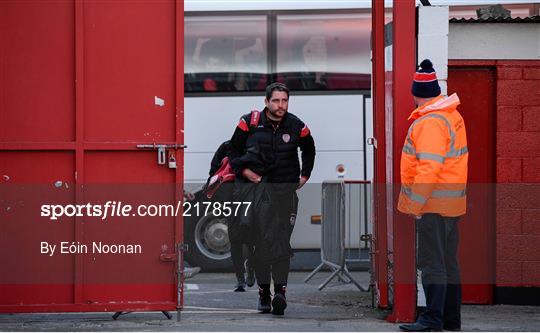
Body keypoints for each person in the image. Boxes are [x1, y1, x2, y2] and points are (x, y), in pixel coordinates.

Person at [228, 82, 316, 315]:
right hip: (256, 194)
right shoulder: (249, 123)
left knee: (280, 244)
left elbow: (309, 149)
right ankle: (264, 294)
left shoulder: (297, 125)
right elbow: (233, 152)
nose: (280, 105)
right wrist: (245, 172)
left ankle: (280, 293)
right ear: (266, 101)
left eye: (284, 101)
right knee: (259, 244)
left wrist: (305, 175)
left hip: (284, 194)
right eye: (276, 101)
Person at [397, 59, 468, 332]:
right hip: (450, 205)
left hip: (433, 205)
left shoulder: (429, 122)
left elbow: (429, 167)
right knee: (449, 264)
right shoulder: (451, 115)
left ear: (416, 94)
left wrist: (415, 205)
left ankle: (432, 319)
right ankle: (450, 319)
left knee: (432, 264)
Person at [207, 140, 256, 292]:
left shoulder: (229, 146)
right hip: (234, 197)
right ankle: (240, 278)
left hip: (246, 197)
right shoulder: (230, 146)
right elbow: (215, 169)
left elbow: (214, 169)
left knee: (248, 238)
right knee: (237, 239)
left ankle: (248, 269)